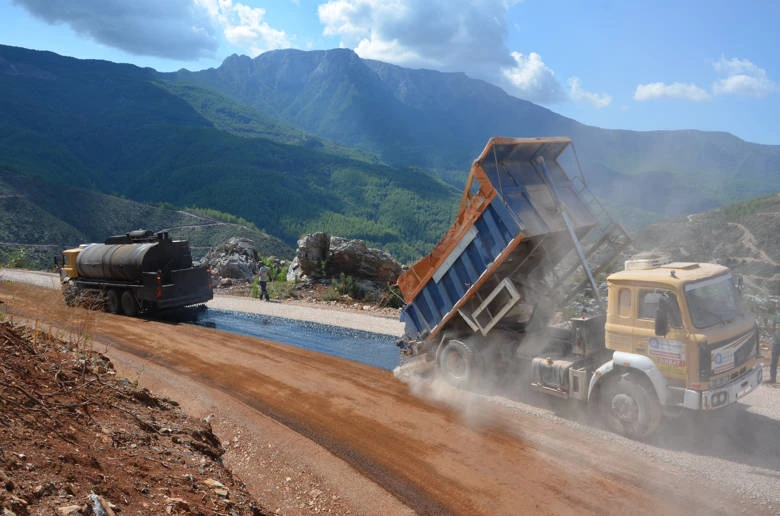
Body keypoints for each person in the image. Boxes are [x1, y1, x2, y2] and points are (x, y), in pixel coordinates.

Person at [770, 304, 780, 383]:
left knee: (774, 361)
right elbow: (773, 328)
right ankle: (772, 379)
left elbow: (773, 329)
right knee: (773, 361)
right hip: (776, 343)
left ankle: (772, 379)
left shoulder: (775, 317)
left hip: (776, 343)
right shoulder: (776, 317)